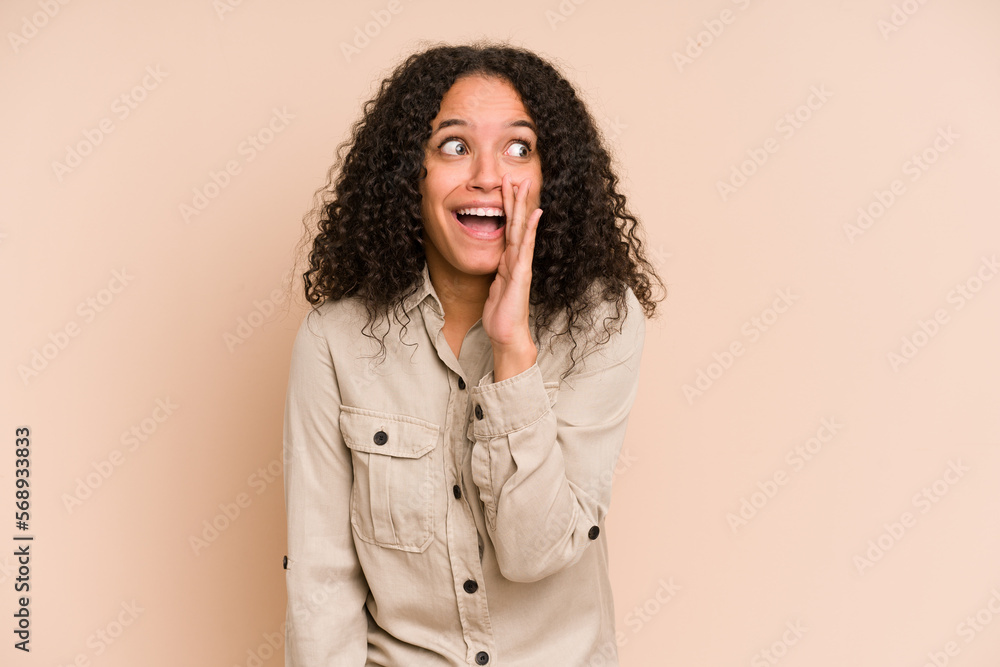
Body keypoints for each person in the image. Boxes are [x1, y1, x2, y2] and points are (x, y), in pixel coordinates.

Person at [283, 41, 664, 666]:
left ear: (550, 176)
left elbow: (534, 552)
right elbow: (321, 582)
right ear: (409, 176)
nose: (488, 175)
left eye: (519, 148)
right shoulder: (335, 340)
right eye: (454, 146)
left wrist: (514, 349)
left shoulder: (602, 324)